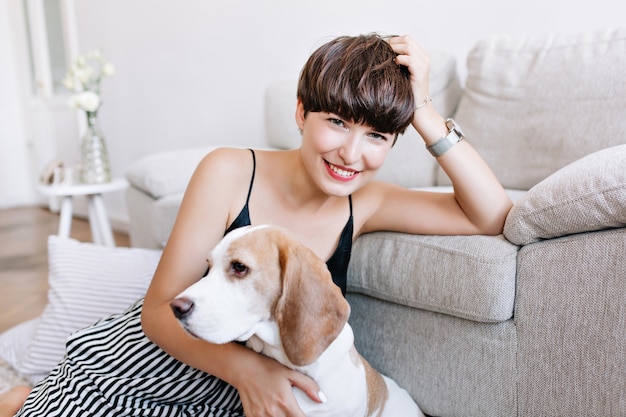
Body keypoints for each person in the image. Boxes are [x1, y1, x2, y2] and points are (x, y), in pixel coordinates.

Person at [2, 33, 512, 417]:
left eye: (377, 135)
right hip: (155, 361)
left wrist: (421, 109)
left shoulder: (369, 201)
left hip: (239, 397)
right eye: (336, 122)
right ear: (300, 112)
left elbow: (490, 214)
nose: (351, 154)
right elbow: (157, 313)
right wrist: (251, 372)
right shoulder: (229, 170)